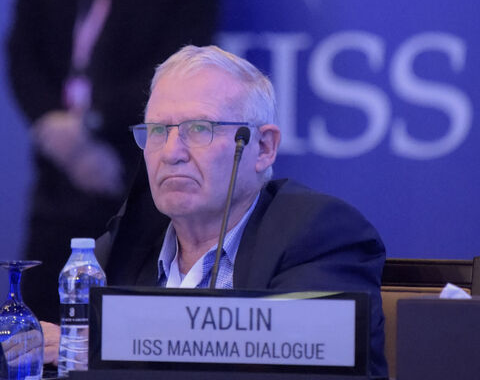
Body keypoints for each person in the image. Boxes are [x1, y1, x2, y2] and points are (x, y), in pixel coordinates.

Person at [41, 45, 387, 376]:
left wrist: (102, 350)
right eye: (158, 130)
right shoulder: (120, 249)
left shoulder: (319, 235)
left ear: (264, 147)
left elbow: (301, 366)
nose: (172, 152)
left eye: (199, 129)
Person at [7, 0, 217, 324]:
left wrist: (91, 125)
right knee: (41, 326)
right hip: (57, 177)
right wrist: (55, 129)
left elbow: (176, 67)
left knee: (127, 324)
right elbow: (21, 54)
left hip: (134, 175)